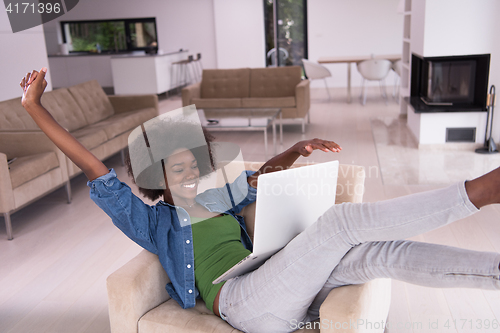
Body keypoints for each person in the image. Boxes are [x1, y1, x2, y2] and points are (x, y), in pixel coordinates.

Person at [20, 68, 500, 333]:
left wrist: (294, 150)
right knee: (340, 225)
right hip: (243, 304)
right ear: (155, 178)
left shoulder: (220, 196)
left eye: (193, 162)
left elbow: (262, 179)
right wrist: (34, 107)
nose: (188, 172)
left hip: (282, 288)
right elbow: (94, 168)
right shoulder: (153, 222)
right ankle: (478, 193)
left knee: (380, 254)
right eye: (174, 167)